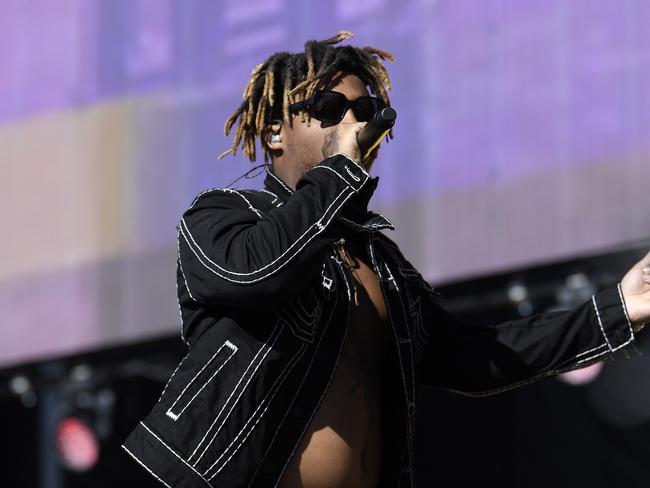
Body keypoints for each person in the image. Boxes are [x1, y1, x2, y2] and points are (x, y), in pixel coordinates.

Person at [122, 31, 650, 488]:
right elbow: (257, 273)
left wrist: (619, 308)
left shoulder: (382, 263)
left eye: (368, 112)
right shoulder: (223, 216)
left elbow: (473, 358)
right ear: (275, 131)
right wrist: (340, 171)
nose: (353, 123)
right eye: (329, 109)